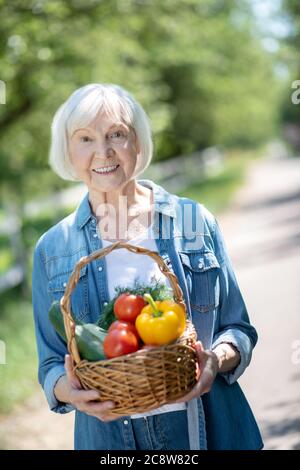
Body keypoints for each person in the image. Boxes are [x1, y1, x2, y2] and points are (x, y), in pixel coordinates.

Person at [32, 83, 263, 450]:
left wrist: (215, 361)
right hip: (111, 442)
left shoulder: (191, 220)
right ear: (68, 150)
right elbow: (50, 365)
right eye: (85, 139)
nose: (103, 151)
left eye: (116, 134)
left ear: (137, 141)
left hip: (209, 430)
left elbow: (238, 328)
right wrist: (71, 393)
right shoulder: (54, 249)